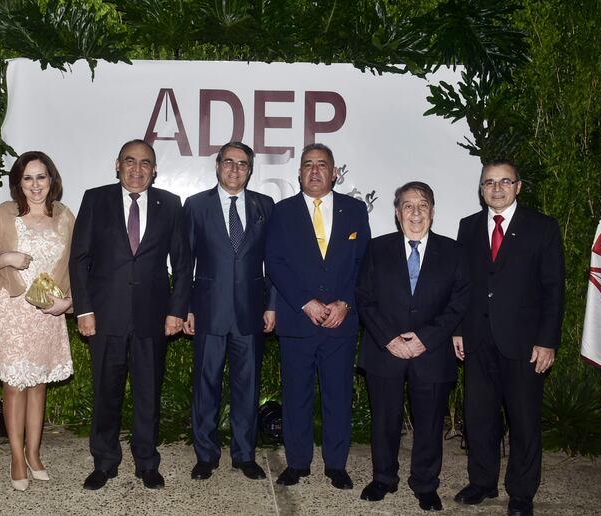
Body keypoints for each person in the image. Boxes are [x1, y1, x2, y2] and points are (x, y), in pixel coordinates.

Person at [69, 139, 191, 491]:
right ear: (118, 165)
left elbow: (182, 263)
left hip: (153, 317)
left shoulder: (170, 204)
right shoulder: (96, 199)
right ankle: (104, 462)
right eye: (130, 161)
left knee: (148, 395)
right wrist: (85, 309)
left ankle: (147, 463)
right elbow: (79, 259)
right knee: (105, 393)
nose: (137, 169)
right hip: (105, 315)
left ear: (155, 169)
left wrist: (176, 310)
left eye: (145, 163)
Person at [453, 160, 564, 516]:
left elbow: (554, 289)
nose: (497, 188)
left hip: (525, 344)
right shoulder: (468, 227)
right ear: (481, 188)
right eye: (489, 182)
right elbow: (463, 285)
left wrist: (547, 341)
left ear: (518, 186)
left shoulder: (542, 228)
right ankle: (482, 482)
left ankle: (521, 492)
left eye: (504, 181)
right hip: (478, 340)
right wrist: (458, 329)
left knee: (524, 421)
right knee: (479, 418)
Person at [356, 181, 469, 511]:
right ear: (397, 213)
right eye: (408, 206)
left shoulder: (453, 252)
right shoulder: (376, 249)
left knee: (430, 424)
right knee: (384, 421)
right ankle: (383, 478)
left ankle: (425, 483)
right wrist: (390, 339)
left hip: (431, 352)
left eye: (422, 205)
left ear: (432, 211)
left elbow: (459, 302)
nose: (415, 212)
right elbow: (364, 298)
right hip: (385, 350)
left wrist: (425, 339)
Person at [0, 151, 74, 491]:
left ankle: (34, 453)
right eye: (28, 178)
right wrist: (4, 258)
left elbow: (79, 265)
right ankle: (16, 457)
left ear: (52, 180)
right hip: (10, 310)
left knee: (38, 384)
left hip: (46, 313)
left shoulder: (65, 217)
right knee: (14, 385)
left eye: (41, 177)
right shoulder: (4, 215)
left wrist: (68, 302)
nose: (35, 185)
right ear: (18, 182)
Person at [265, 143, 370, 490]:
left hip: (341, 323)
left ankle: (336, 465)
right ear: (299, 173)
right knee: (296, 396)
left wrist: (346, 303)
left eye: (322, 165)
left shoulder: (355, 210)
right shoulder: (282, 212)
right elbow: (275, 262)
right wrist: (304, 303)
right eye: (308, 165)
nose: (314, 171)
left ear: (334, 172)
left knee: (338, 396)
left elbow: (364, 264)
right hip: (299, 321)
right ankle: (297, 463)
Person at [182, 142, 276, 482]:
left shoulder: (265, 205)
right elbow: (185, 263)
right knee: (205, 386)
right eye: (229, 162)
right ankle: (205, 456)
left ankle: (244, 455)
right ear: (218, 165)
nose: (235, 169)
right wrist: (186, 308)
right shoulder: (196, 206)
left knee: (247, 387)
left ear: (250, 170)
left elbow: (273, 262)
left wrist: (272, 305)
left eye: (242, 164)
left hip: (251, 312)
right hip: (208, 311)